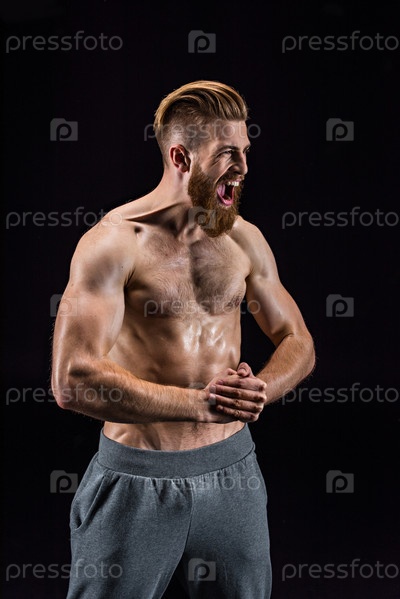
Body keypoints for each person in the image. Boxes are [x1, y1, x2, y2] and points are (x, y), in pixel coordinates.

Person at [51, 80, 315, 599]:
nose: (243, 167)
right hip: (136, 480)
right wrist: (200, 404)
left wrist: (261, 389)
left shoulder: (243, 239)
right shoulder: (114, 243)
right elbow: (72, 379)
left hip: (234, 472)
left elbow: (297, 339)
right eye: (227, 154)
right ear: (180, 157)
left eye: (245, 151)